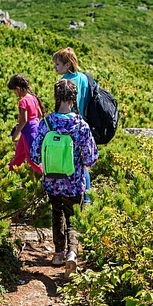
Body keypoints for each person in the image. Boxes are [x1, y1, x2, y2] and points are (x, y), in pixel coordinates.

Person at [30, 79, 98, 278]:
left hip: (51, 181)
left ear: (56, 97)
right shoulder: (80, 125)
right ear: (74, 98)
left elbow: (35, 154)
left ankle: (58, 254)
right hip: (74, 182)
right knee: (73, 218)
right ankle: (72, 253)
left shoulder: (48, 123)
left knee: (56, 214)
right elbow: (91, 158)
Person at [53, 47, 93, 203]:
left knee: (67, 161)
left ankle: (65, 196)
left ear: (67, 65)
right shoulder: (84, 77)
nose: (55, 67)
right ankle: (87, 198)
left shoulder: (64, 82)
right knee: (83, 164)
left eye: (57, 64)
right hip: (83, 123)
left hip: (68, 125)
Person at [8, 74, 45, 175]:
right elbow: (40, 114)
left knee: (32, 159)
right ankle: (10, 172)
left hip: (28, 132)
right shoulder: (33, 98)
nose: (15, 93)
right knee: (19, 154)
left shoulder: (23, 101)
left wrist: (15, 134)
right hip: (33, 129)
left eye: (14, 91)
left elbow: (23, 120)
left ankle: (44, 176)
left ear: (18, 88)